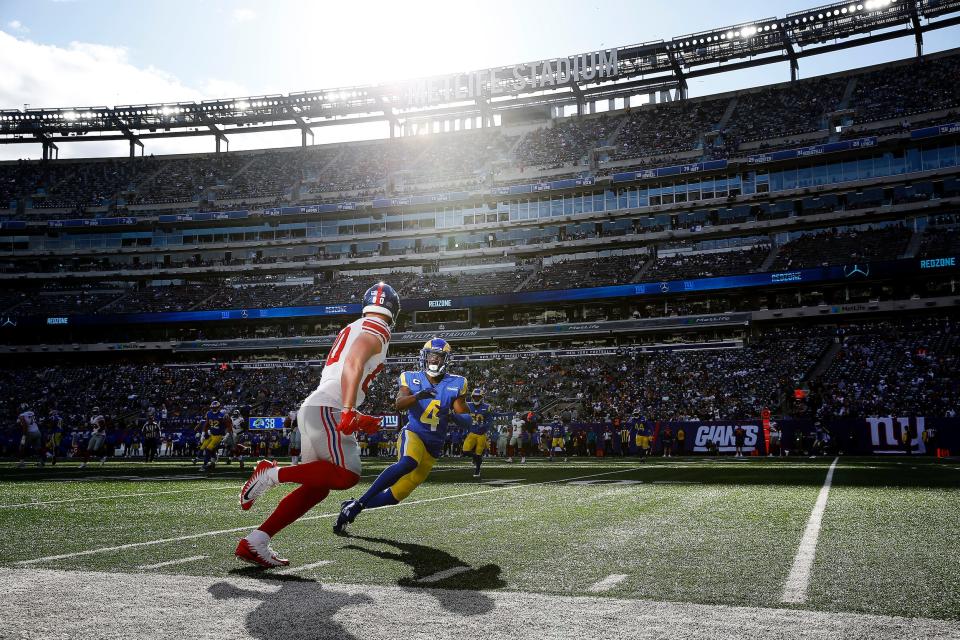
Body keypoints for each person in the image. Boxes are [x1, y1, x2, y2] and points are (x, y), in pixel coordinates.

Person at [235, 282, 398, 568]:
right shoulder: (378, 327)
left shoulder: (355, 325)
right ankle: (271, 474)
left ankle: (256, 541)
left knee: (317, 486)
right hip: (328, 407)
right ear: (393, 310)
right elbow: (354, 364)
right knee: (347, 475)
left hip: (319, 407)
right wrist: (348, 408)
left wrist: (357, 417)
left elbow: (343, 371)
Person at [333, 337, 472, 534]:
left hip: (433, 446)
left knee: (396, 496)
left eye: (438, 357)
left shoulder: (456, 383)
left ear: (445, 360)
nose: (434, 360)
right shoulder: (411, 377)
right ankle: (358, 505)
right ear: (424, 357)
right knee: (408, 462)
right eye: (431, 356)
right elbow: (399, 404)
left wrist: (452, 415)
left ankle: (354, 505)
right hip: (414, 433)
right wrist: (418, 396)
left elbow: (466, 420)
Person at [463, 387, 492, 478]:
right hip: (472, 432)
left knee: (479, 453)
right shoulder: (468, 405)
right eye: (475, 397)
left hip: (481, 434)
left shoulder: (487, 407)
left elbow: (490, 420)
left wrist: (484, 426)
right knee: (465, 451)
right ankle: (475, 457)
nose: (476, 398)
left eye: (478, 397)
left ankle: (477, 470)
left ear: (481, 397)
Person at [17, 404, 43, 468]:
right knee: (38, 448)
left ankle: (22, 463)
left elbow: (25, 426)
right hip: (37, 431)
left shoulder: (21, 415)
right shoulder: (32, 412)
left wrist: (24, 435)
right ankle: (41, 462)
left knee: (21, 447)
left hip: (29, 433)